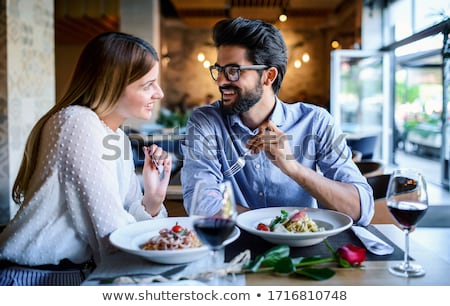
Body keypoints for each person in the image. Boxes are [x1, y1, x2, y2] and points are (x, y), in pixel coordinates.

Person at [0, 32, 172, 285]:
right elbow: (111, 232)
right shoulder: (77, 122)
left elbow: (124, 216)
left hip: (77, 275)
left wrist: (152, 201)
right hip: (35, 279)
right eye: (147, 85)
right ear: (112, 85)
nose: (159, 94)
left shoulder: (117, 138)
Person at [181, 17, 374, 226]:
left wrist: (293, 168)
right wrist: (274, 226)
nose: (220, 80)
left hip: (303, 253)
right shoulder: (206, 122)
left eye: (233, 71)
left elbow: (361, 210)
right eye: (219, 70)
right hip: (233, 248)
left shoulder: (316, 122)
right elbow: (200, 204)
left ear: (268, 76)